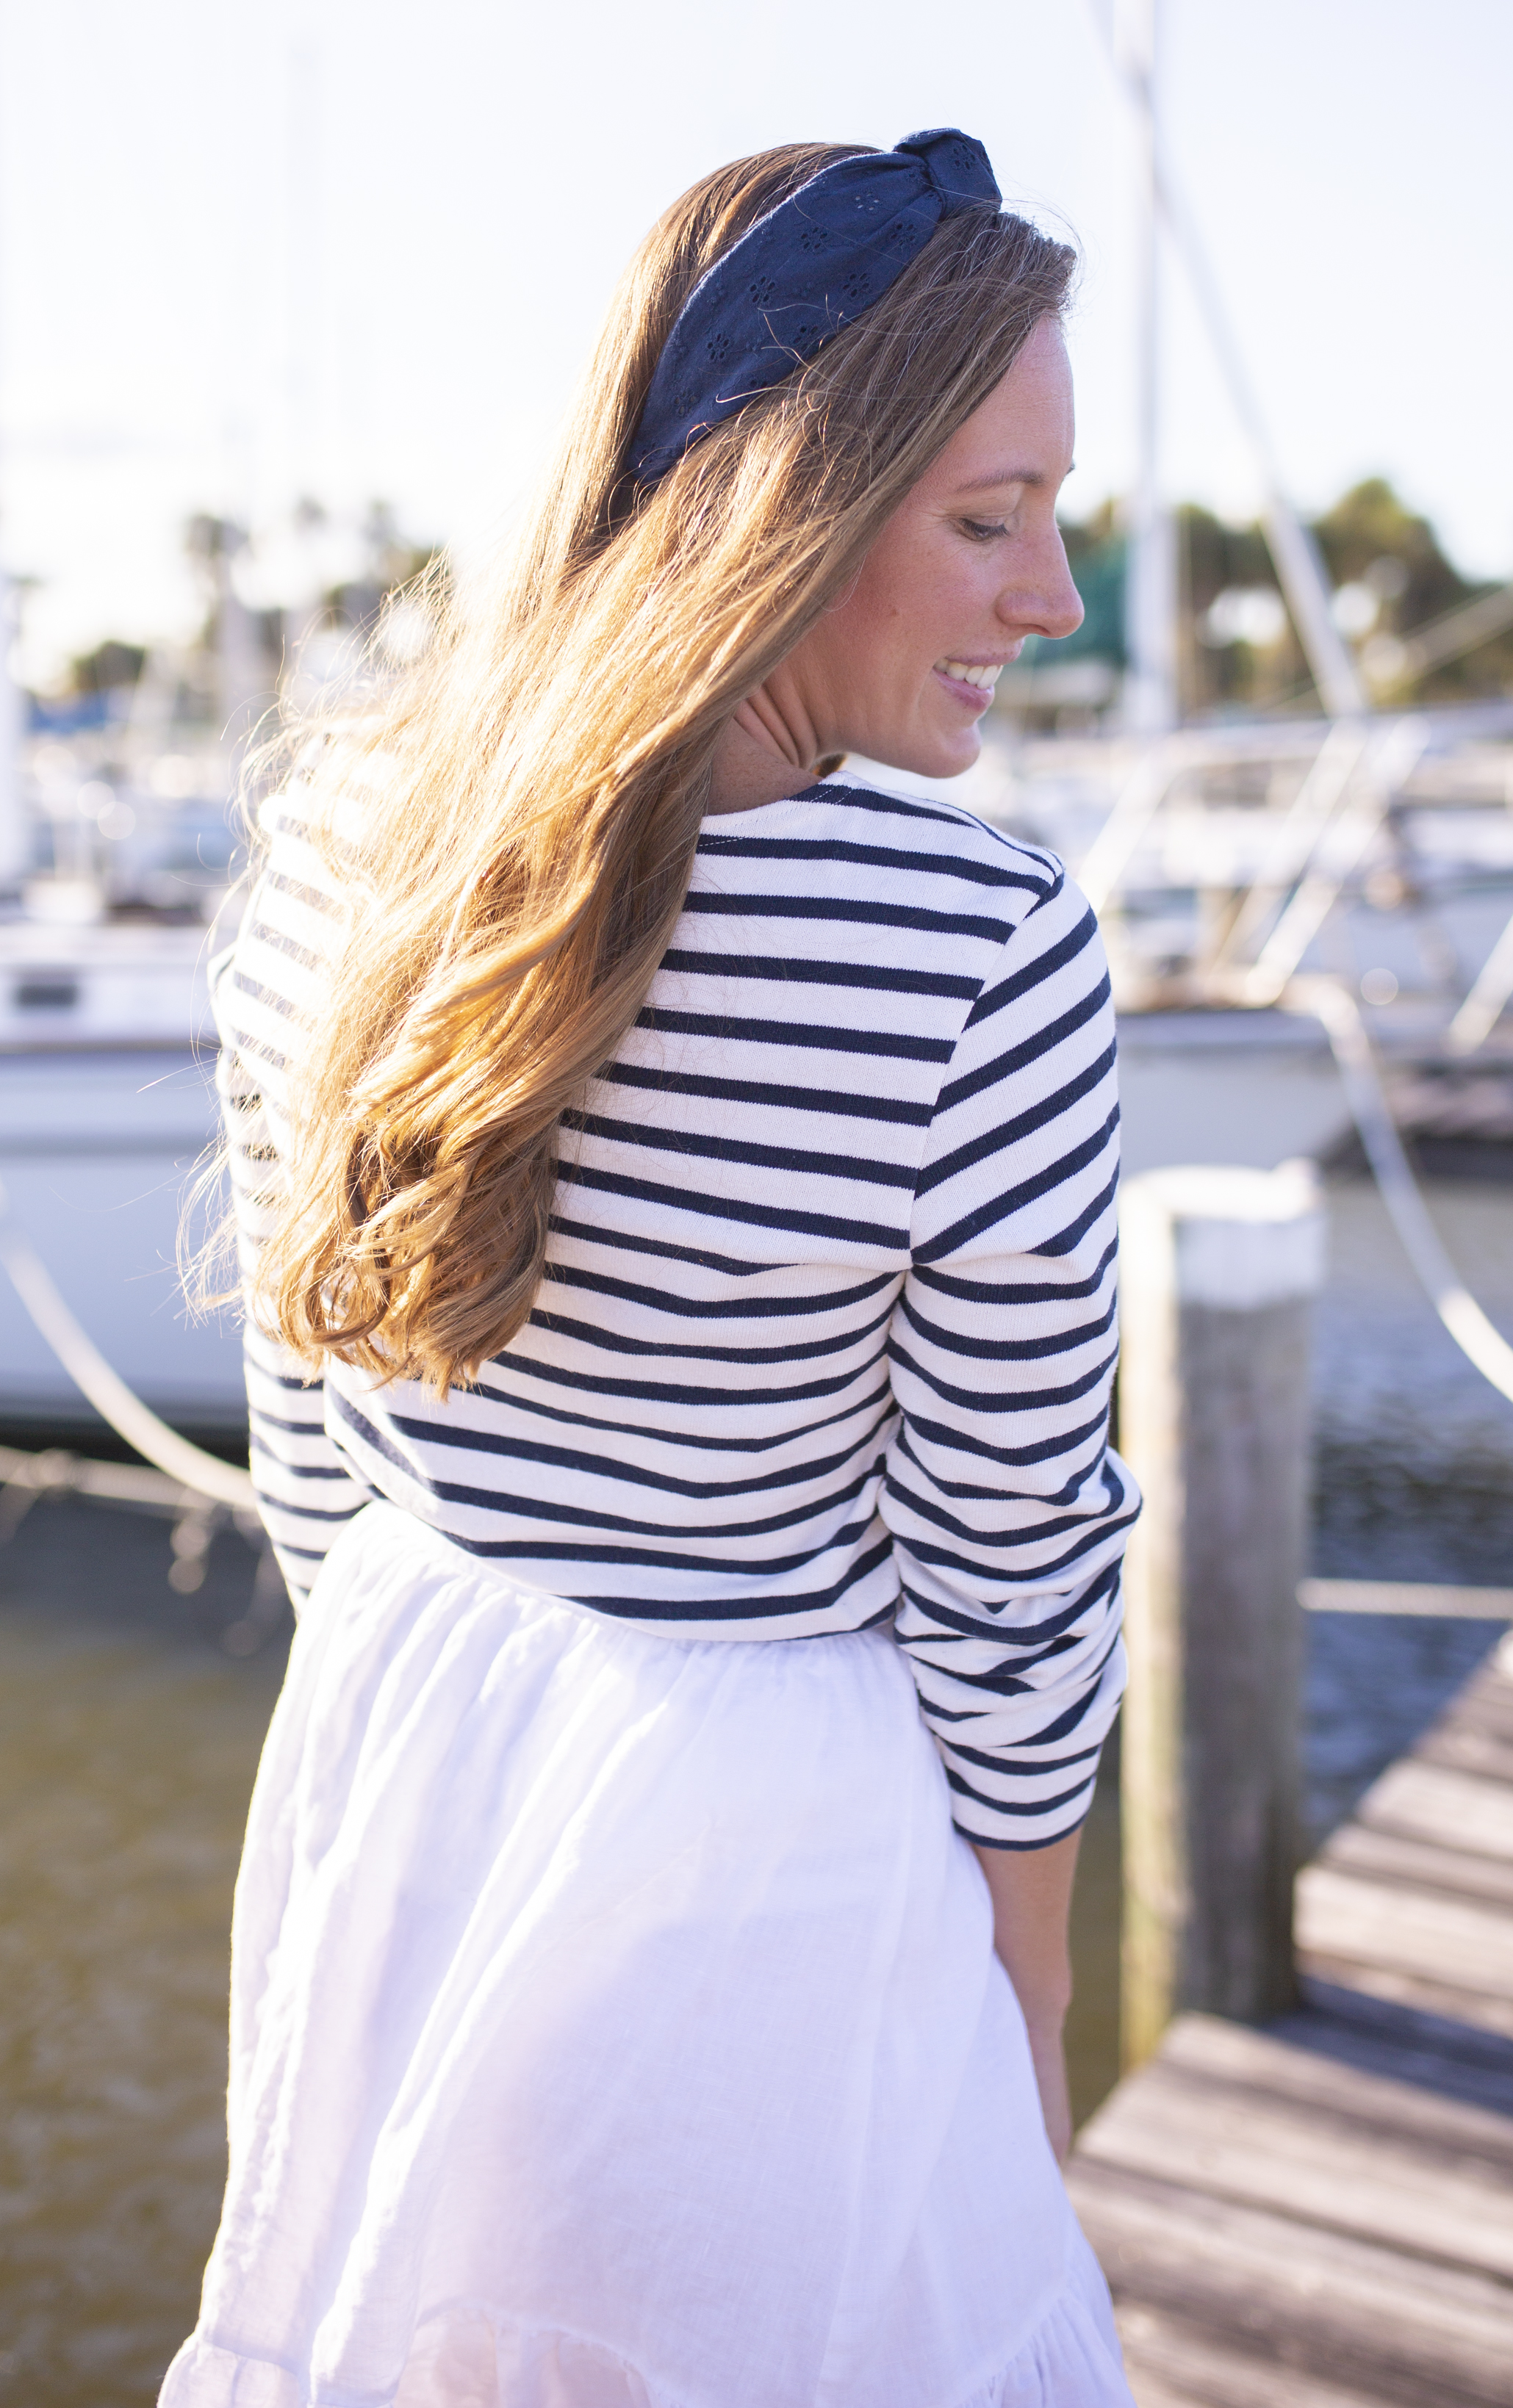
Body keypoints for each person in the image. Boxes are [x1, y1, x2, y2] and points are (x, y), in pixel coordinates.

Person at [162, 131, 1140, 2408]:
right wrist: (1031, 2018)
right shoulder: (973, 953)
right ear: (778, 505)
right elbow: (1008, 1565)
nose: (1050, 599)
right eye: (987, 520)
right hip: (760, 1824)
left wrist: (431, 1703)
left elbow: (314, 1408)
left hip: (406, 1728)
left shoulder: (336, 837)